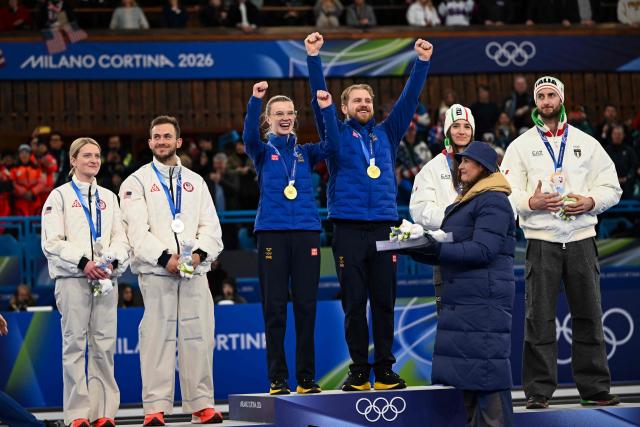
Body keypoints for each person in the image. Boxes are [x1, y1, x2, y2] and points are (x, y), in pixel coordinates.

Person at [305, 32, 432, 391]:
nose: (363, 104)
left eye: (367, 100)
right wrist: (314, 58)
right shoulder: (336, 135)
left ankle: (385, 369)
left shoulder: (387, 134)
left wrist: (421, 63)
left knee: (384, 302)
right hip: (347, 229)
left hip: (384, 229)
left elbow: (409, 100)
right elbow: (319, 101)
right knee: (354, 303)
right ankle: (359, 370)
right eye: (356, 100)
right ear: (343, 107)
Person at [500, 76, 622, 409]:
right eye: (540, 96)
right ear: (535, 103)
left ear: (562, 99)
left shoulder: (587, 142)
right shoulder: (520, 146)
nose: (546, 100)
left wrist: (591, 201)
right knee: (538, 318)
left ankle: (595, 388)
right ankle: (538, 392)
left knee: (589, 315)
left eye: (551, 94)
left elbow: (612, 187)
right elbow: (506, 194)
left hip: (581, 238)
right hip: (542, 242)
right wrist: (531, 203)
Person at [119, 116, 224, 425]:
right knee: (156, 339)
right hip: (157, 273)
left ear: (179, 141)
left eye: (167, 136)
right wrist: (167, 259)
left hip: (194, 272)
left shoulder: (196, 182)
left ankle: (201, 404)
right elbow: (136, 233)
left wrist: (198, 255)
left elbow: (212, 228)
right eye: (156, 137)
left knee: (199, 336)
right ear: (150, 143)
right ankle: (155, 407)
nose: (162, 141)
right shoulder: (135, 182)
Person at [405, 141, 516, 426]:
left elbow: (483, 250)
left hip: (483, 302)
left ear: (484, 168)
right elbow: (452, 245)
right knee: (470, 381)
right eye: (460, 162)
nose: (461, 167)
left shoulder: (494, 200)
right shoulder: (471, 199)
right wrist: (416, 246)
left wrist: (436, 249)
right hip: (467, 300)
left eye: (467, 162)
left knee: (488, 381)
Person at [243, 80, 339, 395]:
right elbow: (247, 136)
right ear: (268, 119)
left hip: (307, 234)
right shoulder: (261, 150)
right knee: (274, 309)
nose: (284, 118)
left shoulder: (306, 153)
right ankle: (278, 379)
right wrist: (255, 100)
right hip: (272, 234)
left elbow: (333, 145)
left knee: (306, 308)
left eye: (289, 113)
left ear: (295, 117)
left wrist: (327, 110)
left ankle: (307, 379)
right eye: (278, 113)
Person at [41, 137, 130, 427]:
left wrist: (110, 262)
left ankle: (104, 412)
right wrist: (83, 263)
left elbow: (121, 239)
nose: (94, 160)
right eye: (87, 155)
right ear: (73, 161)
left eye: (97, 155)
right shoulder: (59, 197)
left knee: (104, 345)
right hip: (73, 280)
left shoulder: (109, 197)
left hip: (105, 280)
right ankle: (78, 414)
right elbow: (52, 242)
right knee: (75, 345)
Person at [410, 104, 475, 314]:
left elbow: (504, 203)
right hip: (447, 255)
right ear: (447, 131)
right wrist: (457, 219)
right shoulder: (432, 168)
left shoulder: (488, 166)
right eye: (456, 126)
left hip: (482, 253)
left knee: (483, 326)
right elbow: (419, 210)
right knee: (449, 326)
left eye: (466, 126)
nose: (462, 131)